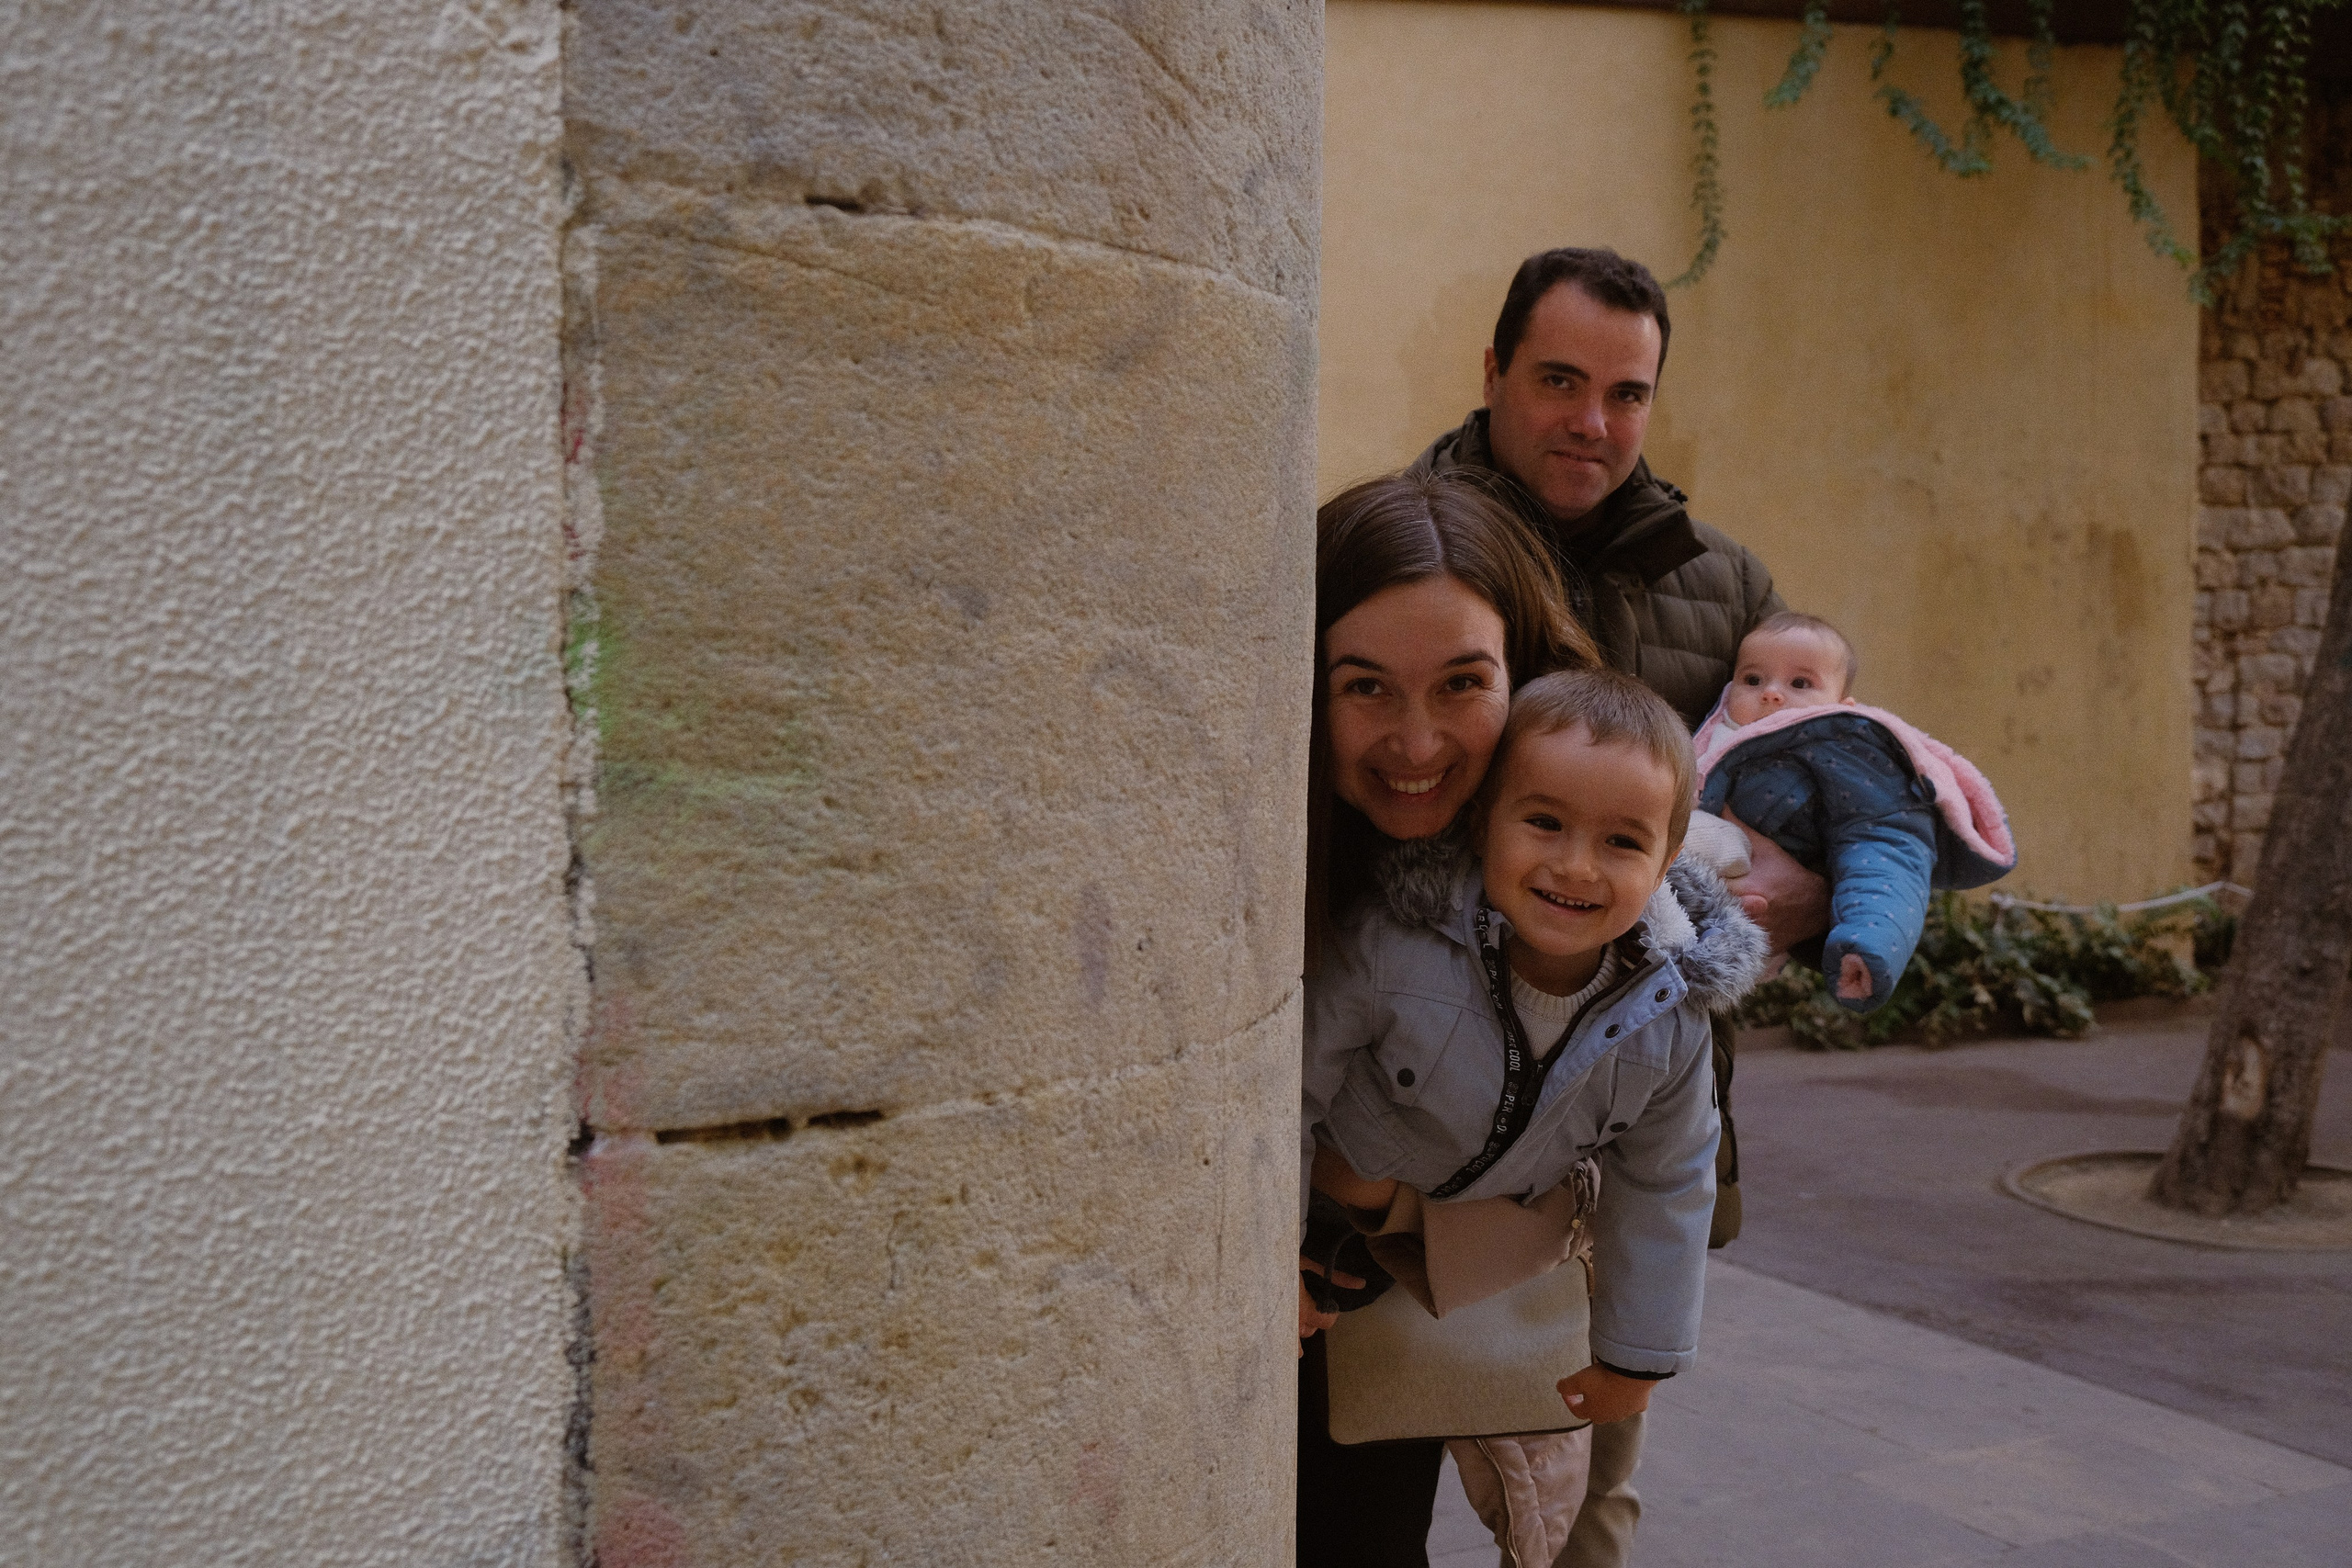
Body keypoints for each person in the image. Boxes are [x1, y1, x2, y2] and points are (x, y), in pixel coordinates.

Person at [1407, 248, 1832, 1563]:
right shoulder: (1406, 550)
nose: (1592, 421)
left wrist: (1802, 892)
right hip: (1411, 1105)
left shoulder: (1727, 587)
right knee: (1373, 1472)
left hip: (1626, 1120)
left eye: (1627, 393)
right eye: (1558, 381)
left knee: (1587, 1499)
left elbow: (1814, 799)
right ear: (1493, 373)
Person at [1304, 669, 1764, 1566]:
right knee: (1357, 1504)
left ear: (1668, 858)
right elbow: (1293, 1100)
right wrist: (1278, 1257)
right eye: (1544, 822)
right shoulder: (1393, 947)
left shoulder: (1669, 1014)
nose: (1576, 866)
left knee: (1548, 1505)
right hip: (1340, 1240)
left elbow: (1668, 1178)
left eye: (1622, 841)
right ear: (1484, 821)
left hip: (1503, 1259)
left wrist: (1636, 1354)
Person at [1298, 468, 1596, 1566]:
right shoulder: (1242, 855)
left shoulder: (1575, 872)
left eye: (1462, 684)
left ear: (1526, 674)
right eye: (1366, 688)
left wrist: (1382, 1211)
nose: (1416, 744)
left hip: (1390, 1336)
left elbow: (1629, 1145)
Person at [1691, 613, 2017, 1010]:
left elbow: (1885, 847)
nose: (1771, 693)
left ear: (1841, 706)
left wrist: (1868, 938)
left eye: (1800, 683)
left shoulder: (1850, 753)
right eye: (1753, 679)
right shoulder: (1714, 735)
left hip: (1751, 916)